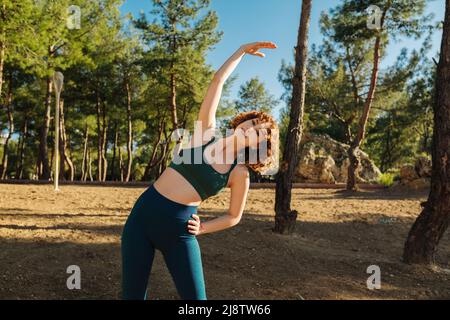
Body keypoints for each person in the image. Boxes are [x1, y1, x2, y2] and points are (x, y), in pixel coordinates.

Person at [121, 41, 278, 300]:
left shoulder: (239, 173)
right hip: (142, 217)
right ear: (242, 121)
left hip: (179, 230)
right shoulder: (206, 132)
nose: (251, 128)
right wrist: (240, 51)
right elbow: (217, 81)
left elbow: (233, 216)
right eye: (252, 122)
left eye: (259, 132)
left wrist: (204, 228)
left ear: (259, 144)